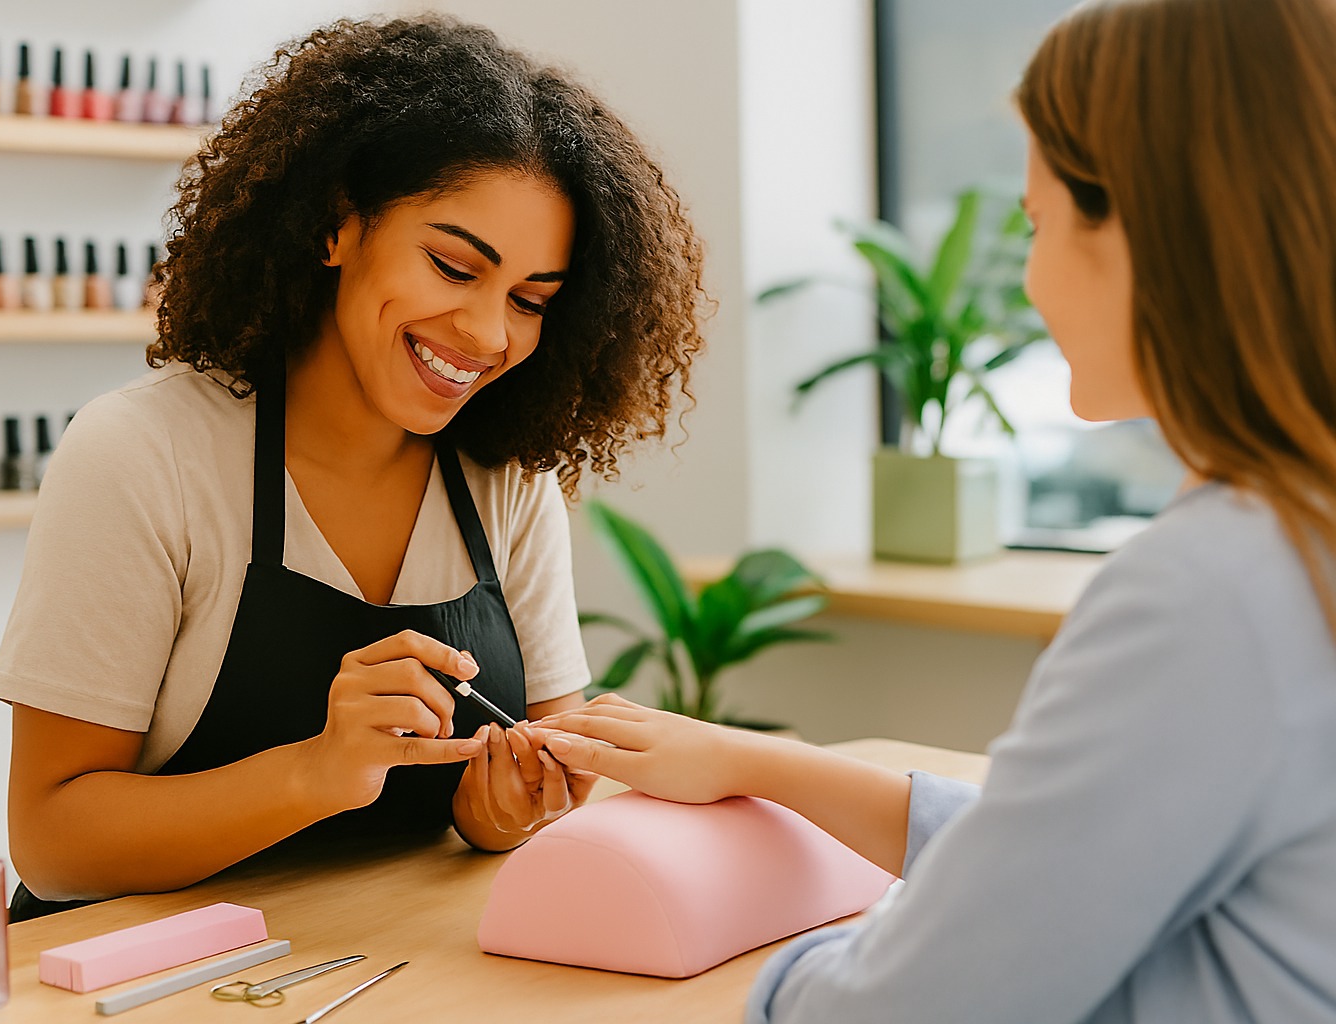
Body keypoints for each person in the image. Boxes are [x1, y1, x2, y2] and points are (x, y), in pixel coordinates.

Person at [541, 0, 1336, 1019]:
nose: (1032, 282)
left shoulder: (1211, 589)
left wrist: (792, 974)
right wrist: (762, 764)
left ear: (1146, 226)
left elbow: (908, 1002)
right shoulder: (1289, 543)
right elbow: (1072, 850)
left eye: (1037, 222)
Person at [0, 15, 705, 921]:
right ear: (337, 225)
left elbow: (548, 760)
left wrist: (503, 811)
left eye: (529, 300)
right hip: (137, 981)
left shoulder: (507, 485)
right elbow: (53, 843)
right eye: (452, 266)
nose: (489, 335)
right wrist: (315, 773)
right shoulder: (144, 456)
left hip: (382, 966)